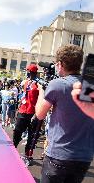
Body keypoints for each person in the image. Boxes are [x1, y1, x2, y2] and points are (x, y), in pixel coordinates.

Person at [35, 45, 94, 183]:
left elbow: (39, 114)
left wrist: (41, 92)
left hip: (59, 155)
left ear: (60, 64)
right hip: (83, 157)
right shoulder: (89, 86)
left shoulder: (57, 84)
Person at [12, 64, 39, 157]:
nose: (26, 73)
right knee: (17, 131)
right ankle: (13, 150)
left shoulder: (39, 84)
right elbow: (23, 96)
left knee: (31, 137)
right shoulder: (26, 82)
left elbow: (40, 100)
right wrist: (18, 109)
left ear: (31, 72)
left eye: (27, 71)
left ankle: (28, 155)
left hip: (33, 113)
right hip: (23, 111)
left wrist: (37, 113)